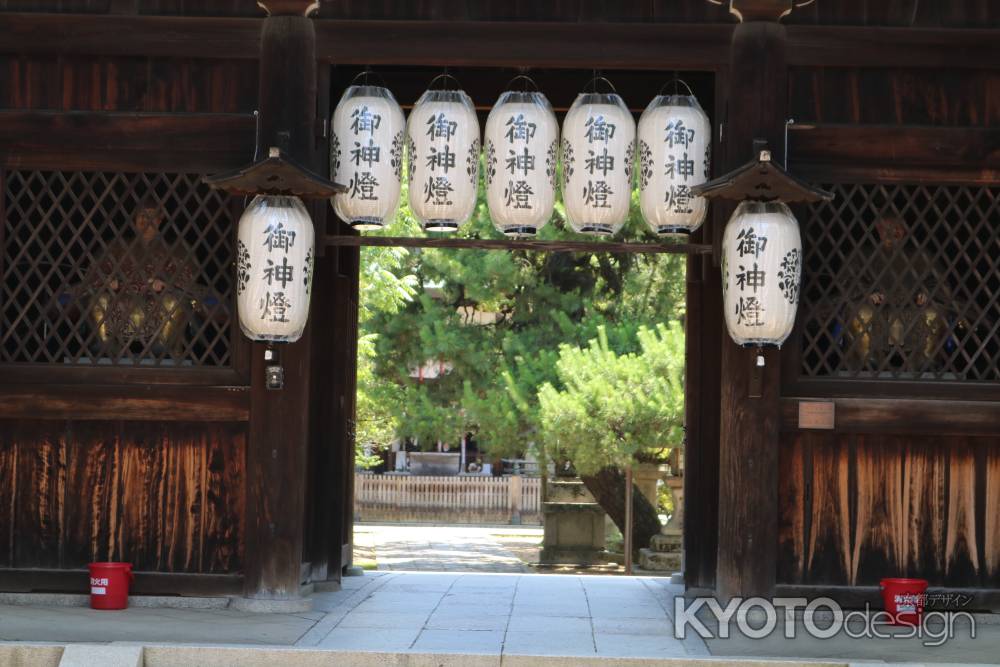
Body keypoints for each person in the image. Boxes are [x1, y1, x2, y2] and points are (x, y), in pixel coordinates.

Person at [836, 212, 952, 374]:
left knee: (934, 312)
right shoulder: (862, 253)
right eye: (886, 228)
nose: (891, 233)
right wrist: (866, 292)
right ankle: (867, 359)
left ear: (905, 230)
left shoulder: (921, 254)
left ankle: (925, 359)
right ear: (877, 229)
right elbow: (845, 281)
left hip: (914, 309)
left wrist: (927, 292)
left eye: (896, 228)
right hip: (875, 308)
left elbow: (941, 283)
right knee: (861, 312)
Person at [85, 198, 197, 359]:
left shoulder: (175, 248)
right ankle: (105, 342)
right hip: (120, 298)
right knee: (98, 299)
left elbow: (186, 275)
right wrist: (109, 281)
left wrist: (165, 283)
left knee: (174, 302)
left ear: (159, 220)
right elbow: (96, 271)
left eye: (151, 216)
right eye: (141, 217)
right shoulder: (117, 246)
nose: (146, 221)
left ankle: (164, 344)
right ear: (135, 220)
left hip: (156, 300)